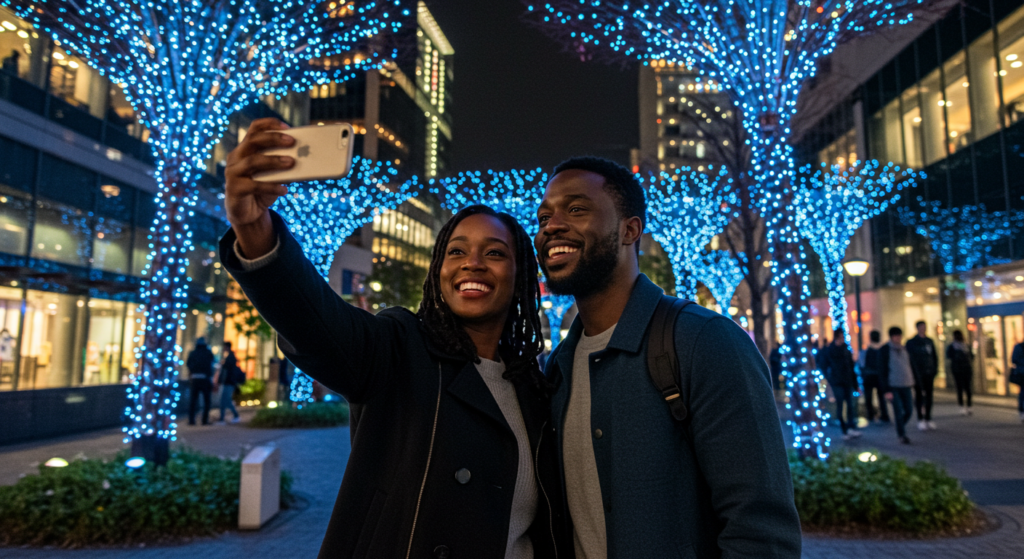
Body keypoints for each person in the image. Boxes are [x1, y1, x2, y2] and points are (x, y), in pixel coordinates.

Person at [219, 118, 570, 558]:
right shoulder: (399, 347)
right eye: (456, 251)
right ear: (438, 270)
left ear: (520, 278)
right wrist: (255, 232)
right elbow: (316, 323)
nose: (472, 263)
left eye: (495, 253)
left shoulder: (535, 388)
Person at [535, 156, 801, 558]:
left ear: (630, 230)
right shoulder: (557, 370)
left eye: (576, 209)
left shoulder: (705, 342)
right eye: (543, 218)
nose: (552, 226)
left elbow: (761, 532)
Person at [822, 328, 861, 441]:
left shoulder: (846, 350)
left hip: (847, 381)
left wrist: (855, 384)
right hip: (837, 382)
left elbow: (851, 367)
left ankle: (850, 428)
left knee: (850, 405)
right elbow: (824, 365)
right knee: (840, 405)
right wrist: (831, 378)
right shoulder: (830, 350)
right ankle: (845, 429)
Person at [880, 326, 915, 444]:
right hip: (893, 385)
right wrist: (886, 390)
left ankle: (900, 426)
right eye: (896, 336)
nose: (898, 338)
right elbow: (882, 371)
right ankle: (901, 434)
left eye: (900, 335)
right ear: (891, 337)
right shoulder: (885, 350)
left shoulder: (905, 349)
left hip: (906, 384)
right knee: (898, 410)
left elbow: (911, 366)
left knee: (909, 410)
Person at [906, 320, 938, 431]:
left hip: (929, 372)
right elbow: (909, 359)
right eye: (921, 327)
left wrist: (935, 370)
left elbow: (934, 356)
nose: (923, 329)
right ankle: (921, 419)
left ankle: (928, 418)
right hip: (917, 373)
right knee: (919, 395)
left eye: (924, 327)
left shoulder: (929, 341)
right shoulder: (911, 342)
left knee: (929, 395)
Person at [857, 330, 889, 423]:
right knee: (881, 397)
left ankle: (871, 415)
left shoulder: (866, 350)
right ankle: (884, 415)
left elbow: (861, 363)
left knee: (869, 397)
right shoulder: (882, 349)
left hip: (869, 376)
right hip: (879, 376)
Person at [186, 337, 215, 425]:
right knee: (207, 401)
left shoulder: (193, 353)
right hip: (205, 378)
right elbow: (212, 363)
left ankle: (191, 420)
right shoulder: (208, 353)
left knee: (193, 401)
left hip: (195, 378)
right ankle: (204, 420)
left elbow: (188, 364)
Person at [946, 330, 974, 416]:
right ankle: (967, 406)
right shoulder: (965, 346)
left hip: (961, 369)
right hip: (961, 369)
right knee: (965, 388)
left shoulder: (956, 346)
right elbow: (972, 357)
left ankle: (964, 406)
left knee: (963, 388)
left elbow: (948, 356)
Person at [215, 341, 242, 424]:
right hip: (229, 382)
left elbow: (227, 371)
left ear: (227, 347)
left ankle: (225, 418)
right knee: (226, 400)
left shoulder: (230, 358)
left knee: (225, 400)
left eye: (224, 347)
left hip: (229, 382)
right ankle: (229, 417)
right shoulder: (230, 357)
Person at [1010, 337, 1023, 422]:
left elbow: (1013, 360)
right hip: (1021, 372)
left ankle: (1022, 411)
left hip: (1021, 372)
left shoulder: (1018, 347)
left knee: (1022, 392)